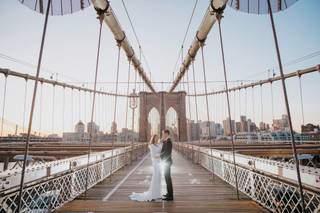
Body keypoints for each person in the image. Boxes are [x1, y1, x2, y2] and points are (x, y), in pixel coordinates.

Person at [129, 134, 162, 201]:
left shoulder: (159, 145)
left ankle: (158, 194)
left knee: (159, 178)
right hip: (155, 163)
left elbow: (162, 150)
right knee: (156, 177)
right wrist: (161, 155)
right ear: (153, 138)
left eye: (158, 138)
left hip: (160, 162)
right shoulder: (151, 146)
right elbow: (153, 155)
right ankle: (154, 194)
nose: (157, 139)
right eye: (156, 138)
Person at [160, 129, 173, 201]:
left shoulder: (168, 141)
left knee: (168, 179)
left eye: (163, 134)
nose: (162, 135)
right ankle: (169, 193)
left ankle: (170, 196)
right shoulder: (166, 141)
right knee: (167, 178)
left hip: (167, 162)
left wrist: (159, 156)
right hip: (166, 162)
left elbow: (167, 153)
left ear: (167, 133)